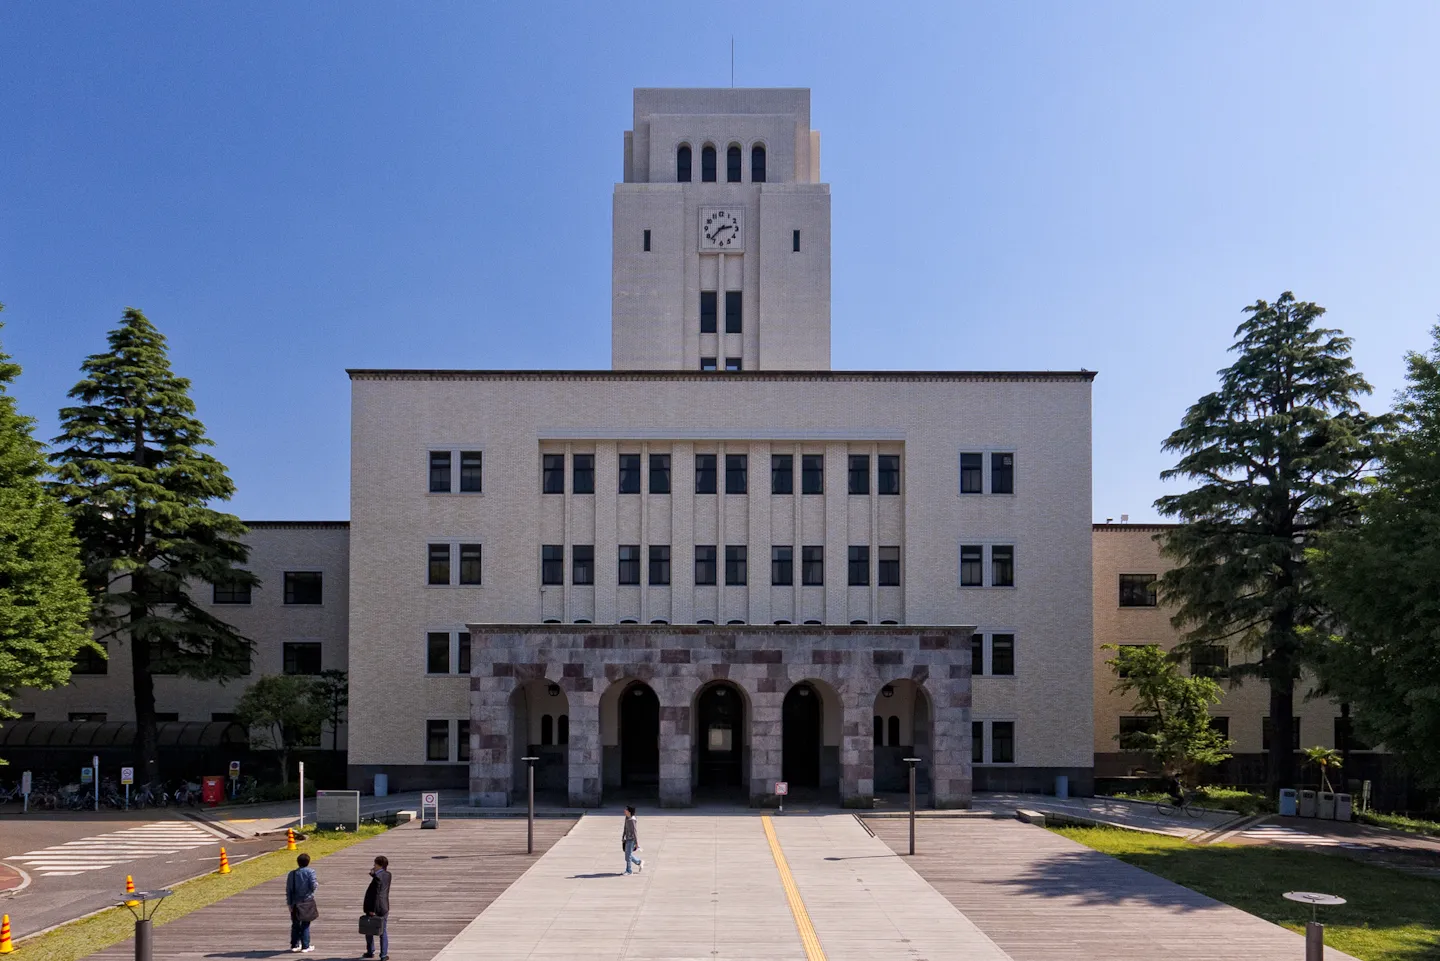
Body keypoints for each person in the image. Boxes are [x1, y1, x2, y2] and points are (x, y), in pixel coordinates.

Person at [285, 852, 319, 953]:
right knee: (305, 924)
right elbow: (313, 886)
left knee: (295, 924)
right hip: (307, 901)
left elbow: (289, 890)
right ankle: (305, 946)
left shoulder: (292, 874)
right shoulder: (310, 872)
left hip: (295, 902)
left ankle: (294, 945)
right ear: (308, 862)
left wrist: (289, 903)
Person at [362, 855, 391, 960]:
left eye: (375, 864)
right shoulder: (388, 874)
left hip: (376, 907)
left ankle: (370, 951)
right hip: (384, 906)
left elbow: (377, 892)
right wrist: (373, 875)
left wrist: (372, 910)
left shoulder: (377, 877)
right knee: (383, 930)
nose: (373, 866)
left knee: (369, 929)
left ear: (379, 865)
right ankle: (383, 954)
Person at [621, 805, 643, 875]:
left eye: (626, 810)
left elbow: (634, 832)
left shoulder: (632, 820)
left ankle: (629, 870)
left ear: (629, 812)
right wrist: (623, 836)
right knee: (628, 855)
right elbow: (625, 827)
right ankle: (639, 862)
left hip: (631, 839)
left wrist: (637, 843)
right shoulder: (627, 817)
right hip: (627, 838)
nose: (625, 811)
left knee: (628, 855)